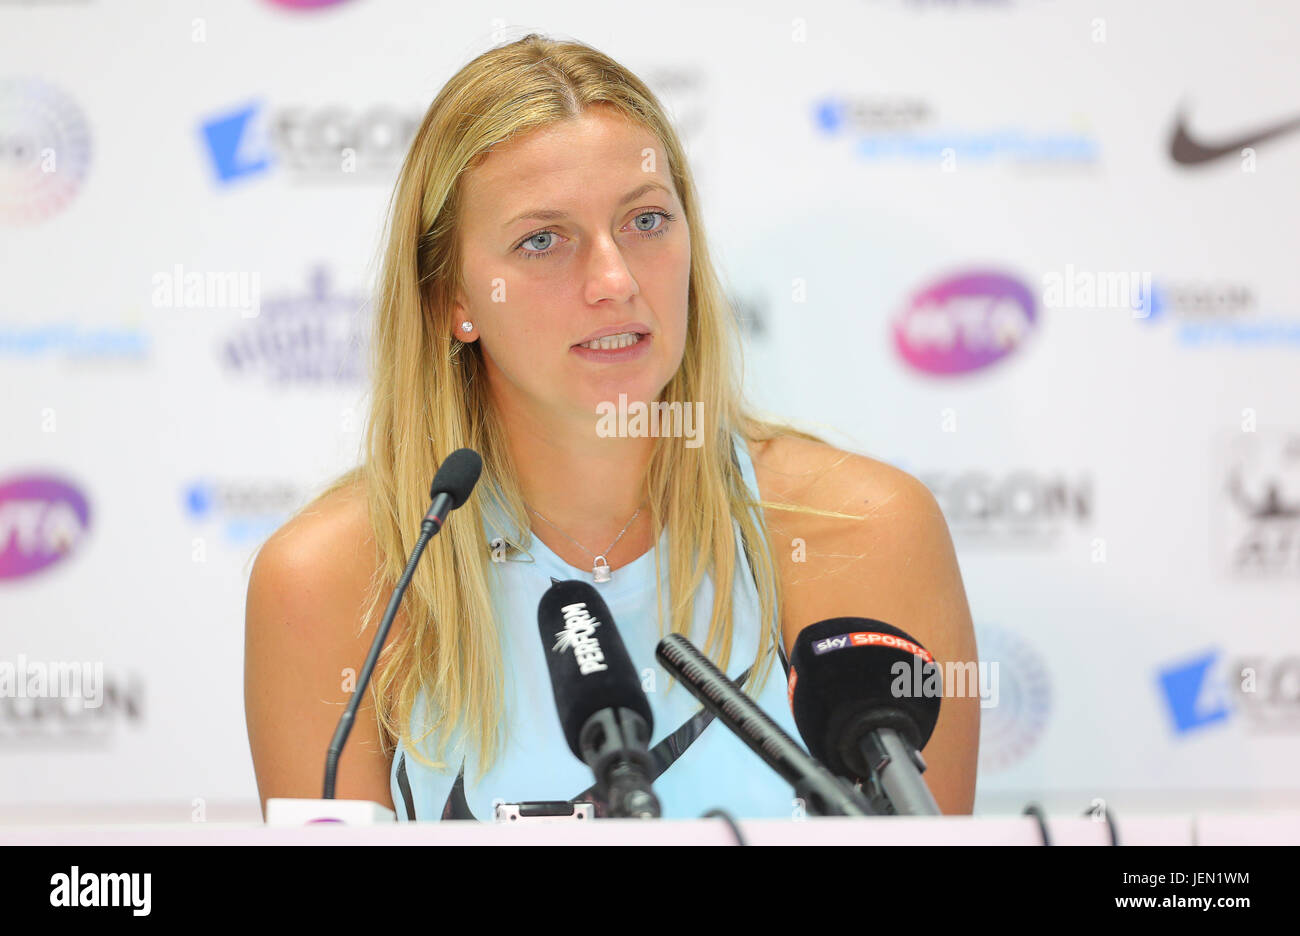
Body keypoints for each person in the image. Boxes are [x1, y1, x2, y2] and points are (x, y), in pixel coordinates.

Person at [243, 33, 978, 822]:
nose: (616, 280)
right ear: (451, 299)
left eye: (647, 221)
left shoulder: (859, 532)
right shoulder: (334, 582)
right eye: (542, 240)